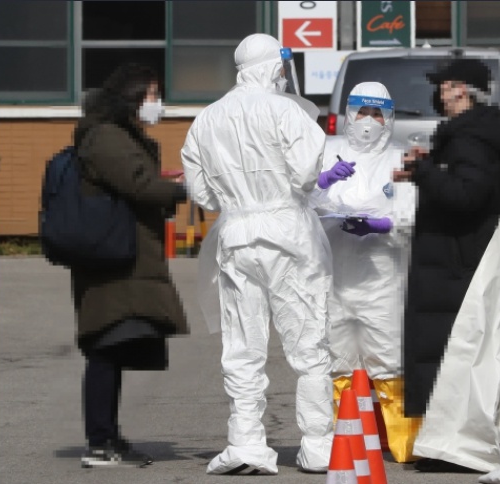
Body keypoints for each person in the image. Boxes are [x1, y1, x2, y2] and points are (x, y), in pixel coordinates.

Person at [181, 33, 342, 475]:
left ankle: (246, 442)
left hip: (236, 235)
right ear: (275, 67)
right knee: (308, 340)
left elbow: (201, 194)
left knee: (242, 344)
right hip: (289, 233)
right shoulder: (286, 111)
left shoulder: (206, 120)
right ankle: (317, 443)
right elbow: (306, 174)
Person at [71, 63, 189, 468]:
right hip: (111, 259)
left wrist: (167, 185)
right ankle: (99, 442)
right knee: (105, 346)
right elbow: (137, 184)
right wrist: (181, 190)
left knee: (115, 346)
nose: (157, 103)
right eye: (152, 94)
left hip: (122, 255)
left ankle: (108, 436)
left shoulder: (119, 135)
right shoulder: (107, 136)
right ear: (131, 97)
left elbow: (136, 181)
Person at [396, 58, 500, 472]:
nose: (441, 93)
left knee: (452, 349)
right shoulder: (467, 133)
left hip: (455, 260)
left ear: (463, 90)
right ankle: (446, 442)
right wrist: (427, 167)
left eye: (446, 85)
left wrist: (425, 171)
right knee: (451, 349)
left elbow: (466, 196)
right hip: (453, 257)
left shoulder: (471, 137)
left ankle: (455, 447)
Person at [310, 82, 421, 463]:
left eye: (377, 113)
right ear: (348, 114)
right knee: (337, 359)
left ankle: (405, 443)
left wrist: (380, 225)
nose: (369, 121)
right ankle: (347, 438)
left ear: (389, 118)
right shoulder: (324, 153)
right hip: (333, 276)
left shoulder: (399, 158)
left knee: (388, 357)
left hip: (382, 278)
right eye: (362, 112)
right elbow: (299, 202)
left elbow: (411, 213)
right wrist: (323, 181)